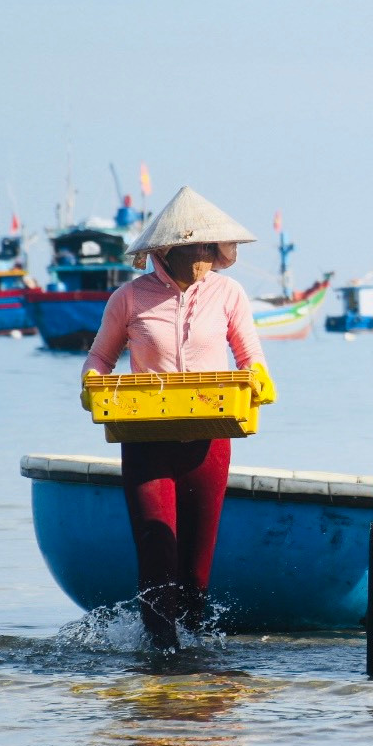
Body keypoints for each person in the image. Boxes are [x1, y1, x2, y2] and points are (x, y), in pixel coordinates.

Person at [81, 186, 276, 651]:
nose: (209, 255)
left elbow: (249, 354)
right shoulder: (129, 298)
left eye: (213, 246)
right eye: (200, 246)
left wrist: (258, 378)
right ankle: (160, 652)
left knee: (197, 563)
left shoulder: (228, 294)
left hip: (210, 442)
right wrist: (91, 384)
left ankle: (194, 655)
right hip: (146, 442)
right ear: (168, 250)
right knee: (156, 547)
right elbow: (100, 358)